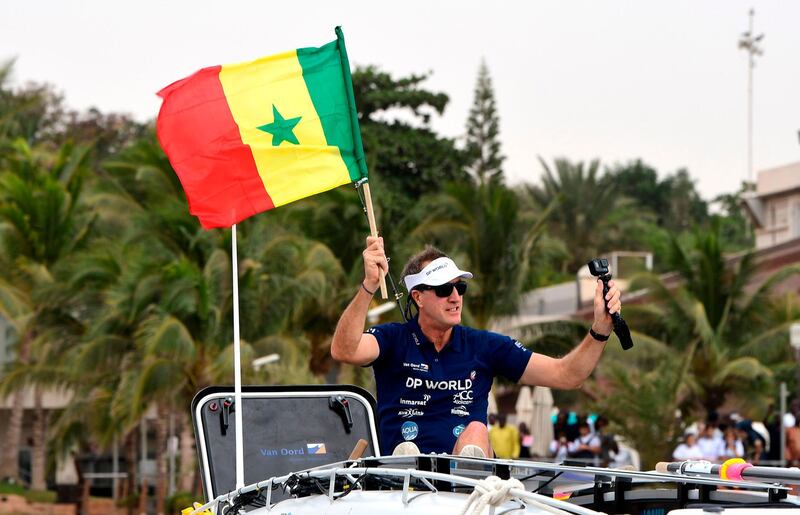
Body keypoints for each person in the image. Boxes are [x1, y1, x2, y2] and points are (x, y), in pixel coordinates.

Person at [330, 239, 622, 457]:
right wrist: (369, 285)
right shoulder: (392, 338)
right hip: (400, 483)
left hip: (467, 484)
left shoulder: (485, 345)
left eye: (460, 288)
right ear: (418, 297)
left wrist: (600, 329)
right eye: (444, 290)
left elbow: (567, 376)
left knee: (477, 430)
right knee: (408, 452)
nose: (455, 297)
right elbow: (344, 350)